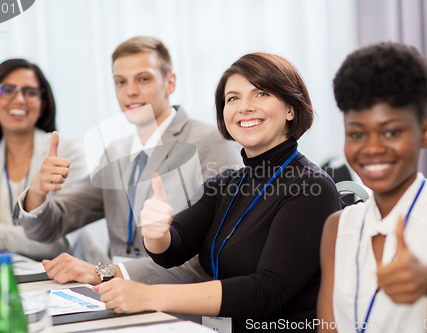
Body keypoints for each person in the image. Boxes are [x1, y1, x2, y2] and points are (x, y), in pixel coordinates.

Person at [93, 52, 341, 333]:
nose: (244, 107)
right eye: (232, 98)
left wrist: (150, 296)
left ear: (290, 109)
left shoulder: (311, 187)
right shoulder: (228, 183)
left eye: (260, 94)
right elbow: (176, 247)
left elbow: (268, 290)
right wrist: (157, 234)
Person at [14, 36, 242, 285]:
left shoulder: (214, 141)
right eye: (120, 81)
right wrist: (37, 191)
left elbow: (217, 253)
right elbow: (46, 228)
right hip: (116, 299)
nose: (130, 91)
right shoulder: (115, 153)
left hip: (180, 307)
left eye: (143, 78)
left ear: (170, 83)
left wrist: (108, 273)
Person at [317, 42, 427, 333]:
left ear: (426, 132)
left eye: (391, 131)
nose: (373, 148)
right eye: (357, 133)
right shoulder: (337, 228)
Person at [0, 59, 101, 261]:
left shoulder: (68, 151)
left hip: (75, 281)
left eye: (30, 92)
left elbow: (56, 244)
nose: (19, 100)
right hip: (13, 276)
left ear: (42, 105)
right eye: (7, 90)